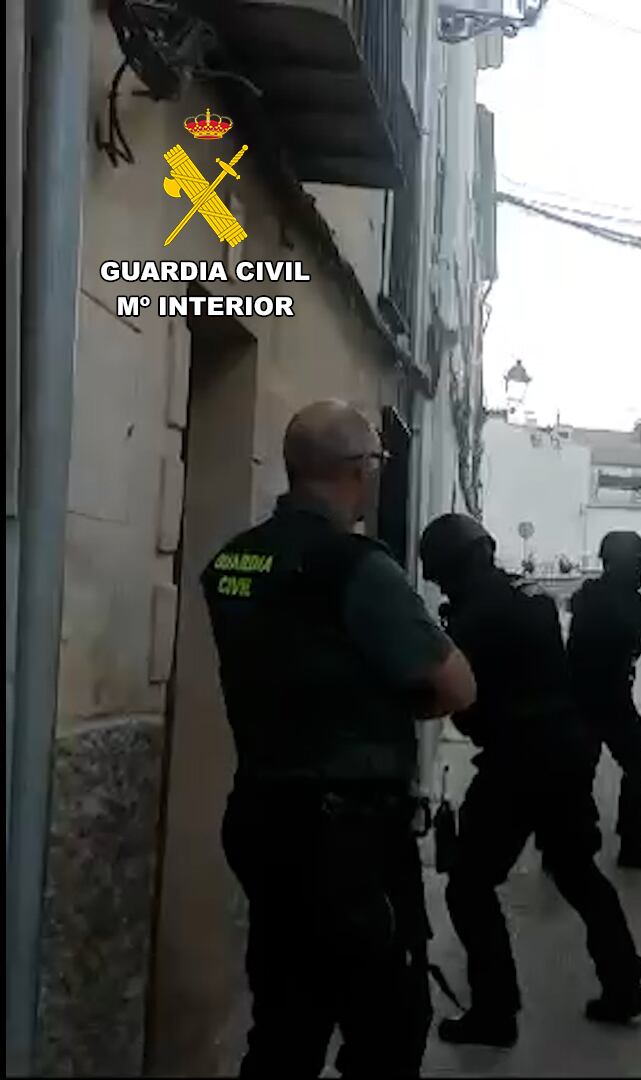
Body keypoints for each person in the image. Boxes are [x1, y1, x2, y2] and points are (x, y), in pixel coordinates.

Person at [200, 400, 478, 1077]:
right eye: (377, 462)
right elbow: (456, 687)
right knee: (388, 1025)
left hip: (263, 815)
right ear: (359, 469)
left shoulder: (235, 561)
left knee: (286, 1019)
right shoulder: (355, 568)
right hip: (348, 837)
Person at [420, 514, 641, 1048]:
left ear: (463, 562)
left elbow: (456, 694)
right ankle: (624, 982)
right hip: (562, 750)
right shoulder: (528, 595)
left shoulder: (479, 615)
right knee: (577, 871)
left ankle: (496, 1011)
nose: (442, 585)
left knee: (469, 885)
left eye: (443, 574)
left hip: (519, 760)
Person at [566, 530, 641, 871]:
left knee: (590, 772)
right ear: (622, 564)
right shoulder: (610, 600)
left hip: (599, 696)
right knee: (616, 769)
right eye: (638, 563)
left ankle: (574, 847)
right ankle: (618, 846)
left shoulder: (599, 594)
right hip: (598, 697)